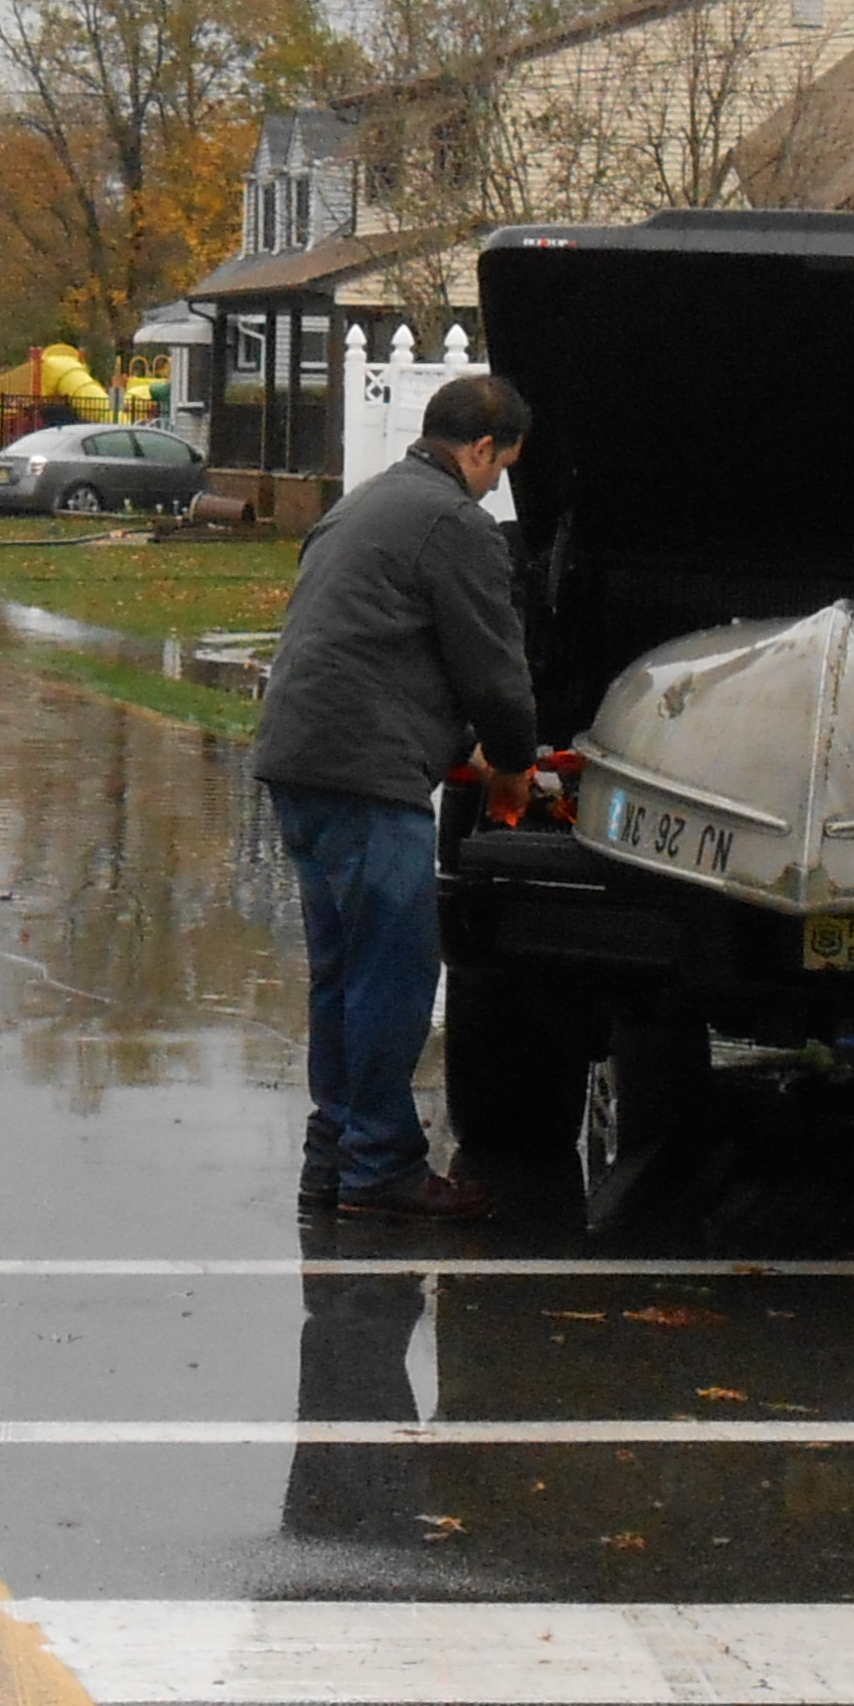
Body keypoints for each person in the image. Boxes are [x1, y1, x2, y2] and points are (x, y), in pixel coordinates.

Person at [251, 372, 537, 1219]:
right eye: (502, 467)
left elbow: (379, 641)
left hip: (300, 760)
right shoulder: (456, 525)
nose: (497, 485)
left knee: (341, 977)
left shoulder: (363, 504)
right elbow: (495, 672)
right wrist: (515, 764)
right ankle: (381, 1172)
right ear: (482, 449)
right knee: (393, 978)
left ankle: (331, 1159)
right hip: (366, 776)